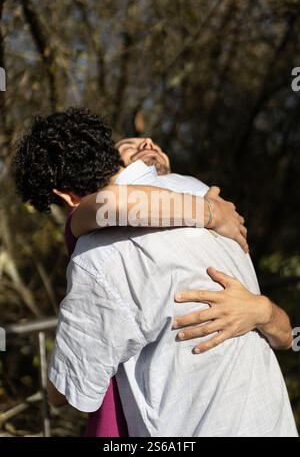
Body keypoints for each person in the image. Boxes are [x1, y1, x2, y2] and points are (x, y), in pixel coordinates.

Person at [13, 108, 297, 436]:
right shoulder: (202, 192)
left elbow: (69, 392)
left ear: (64, 195)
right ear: (109, 152)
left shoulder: (98, 258)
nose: (146, 142)